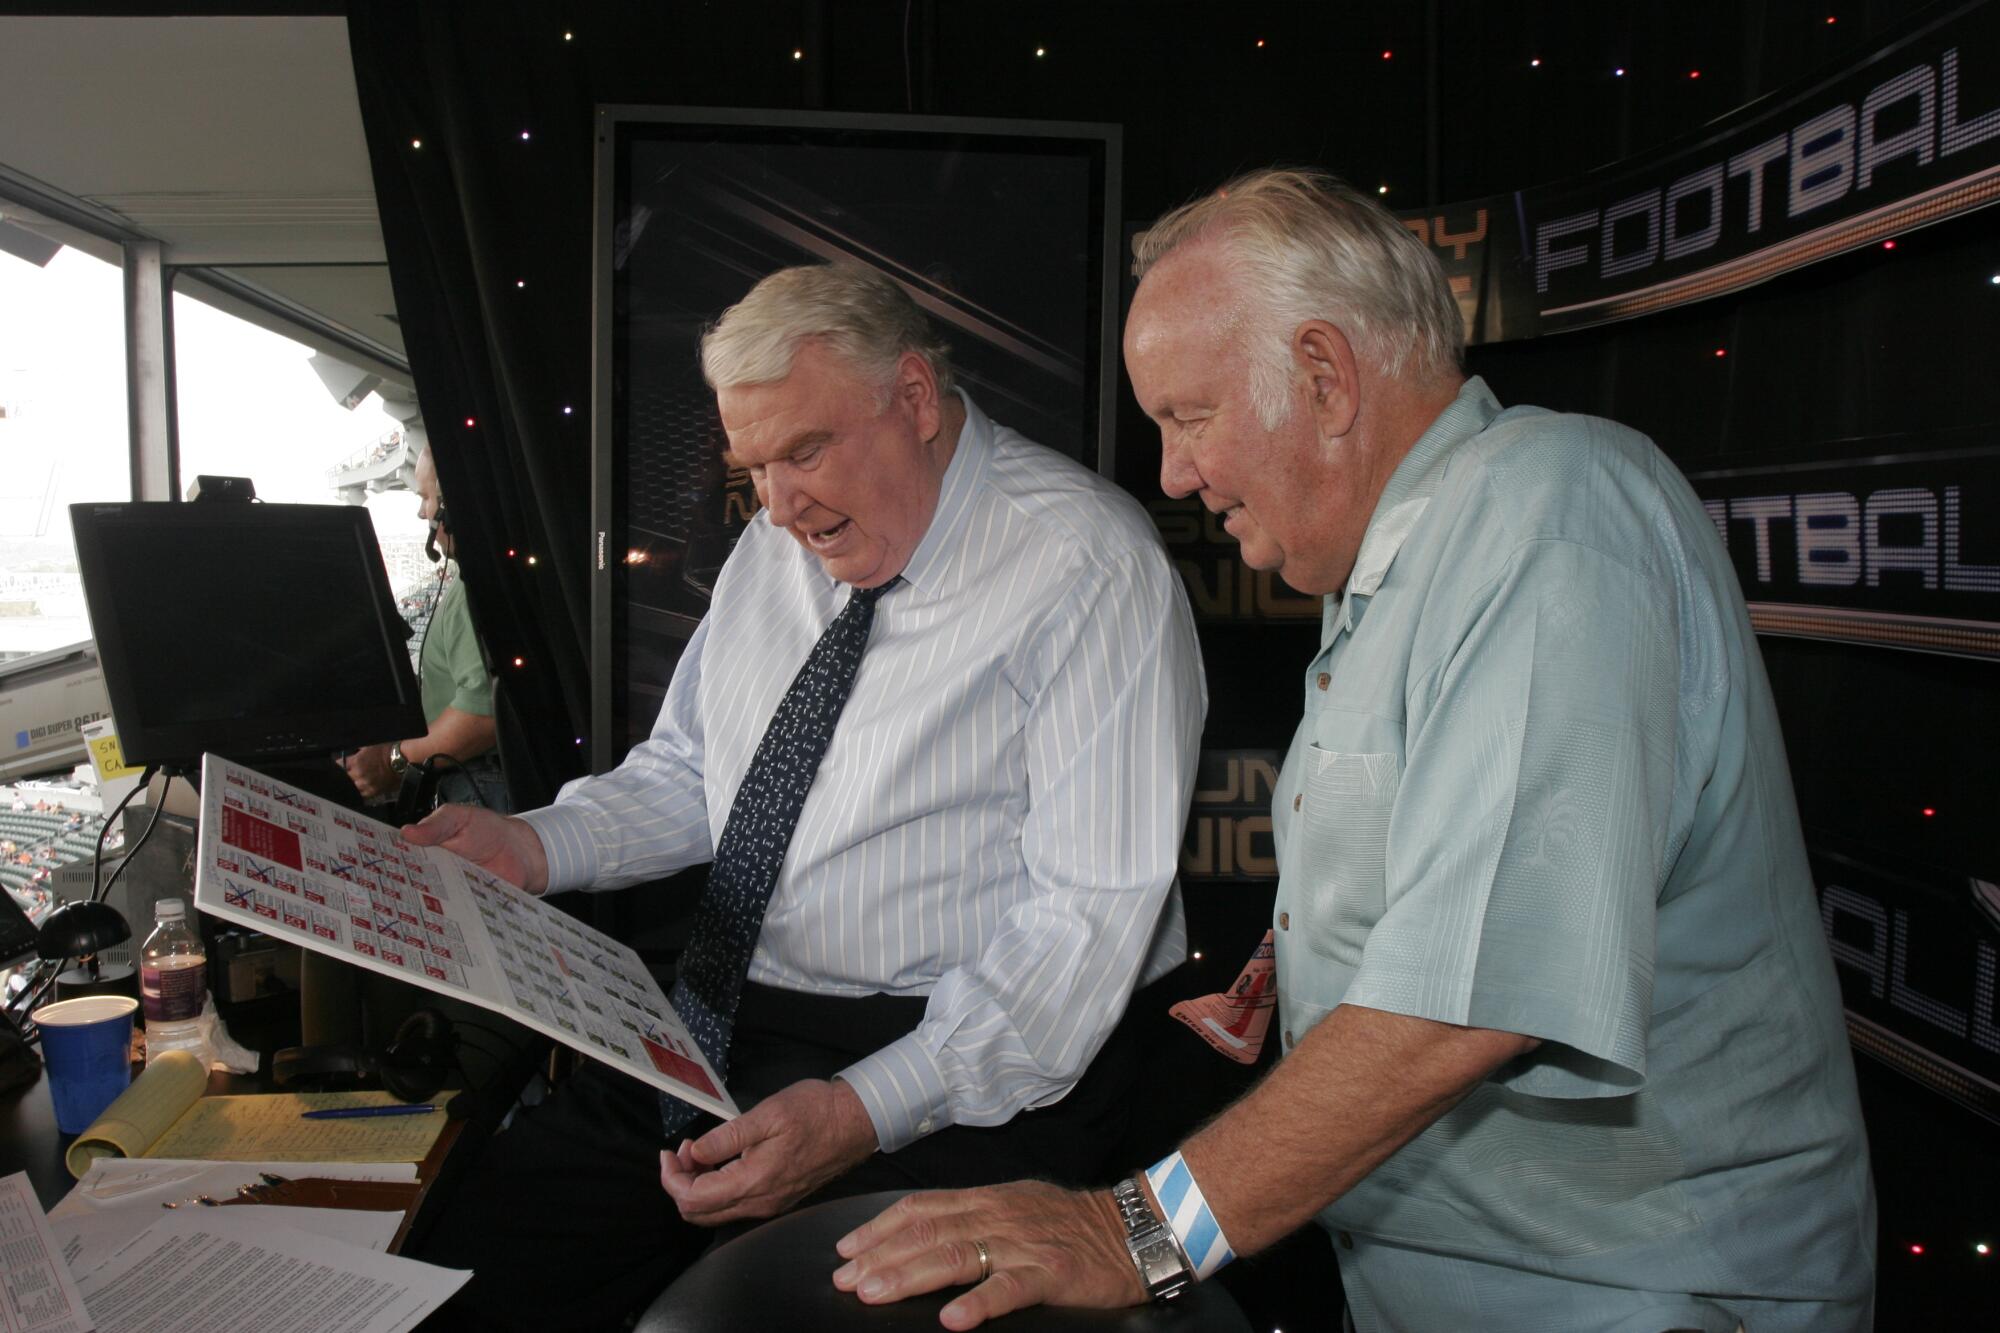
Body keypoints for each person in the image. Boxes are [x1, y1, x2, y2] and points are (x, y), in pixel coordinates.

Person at [833, 169, 1877, 1332]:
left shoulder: (1551, 513)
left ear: (1323, 377)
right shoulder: (1402, 569)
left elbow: (1460, 1007)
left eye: (1187, 417)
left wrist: (1133, 1230)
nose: (1174, 474)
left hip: (1636, 1297)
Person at [403, 263, 1206, 1330]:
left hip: (967, 1059)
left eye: (803, 450)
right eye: (754, 466)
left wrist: (860, 1112)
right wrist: (531, 846)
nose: (778, 506)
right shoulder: (772, 550)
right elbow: (698, 771)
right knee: (450, 1280)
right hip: (723, 1020)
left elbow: (1080, 929)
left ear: (914, 397)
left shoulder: (1085, 565)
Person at [339, 446, 510, 812]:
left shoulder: (472, 590)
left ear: (450, 505)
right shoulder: (485, 578)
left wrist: (392, 761)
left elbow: (483, 716)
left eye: (426, 497)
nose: (422, 511)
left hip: (483, 786)